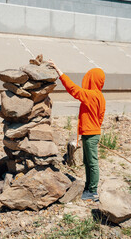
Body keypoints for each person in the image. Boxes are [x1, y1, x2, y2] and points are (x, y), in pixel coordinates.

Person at [48, 60, 106, 201]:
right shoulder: (100, 96)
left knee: (92, 163)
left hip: (90, 135)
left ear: (91, 79)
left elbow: (73, 89)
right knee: (88, 162)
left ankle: (92, 191)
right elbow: (100, 117)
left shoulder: (91, 95)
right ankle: (88, 187)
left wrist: (58, 70)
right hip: (92, 133)